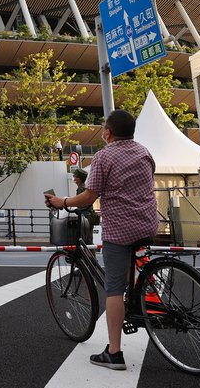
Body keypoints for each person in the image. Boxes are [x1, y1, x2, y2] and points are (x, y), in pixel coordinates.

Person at [45, 110, 159, 371]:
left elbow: (88, 197)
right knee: (132, 264)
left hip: (120, 228)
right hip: (148, 222)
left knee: (114, 288)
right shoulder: (143, 151)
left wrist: (62, 202)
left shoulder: (104, 156)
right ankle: (144, 298)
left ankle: (114, 352)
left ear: (108, 133)